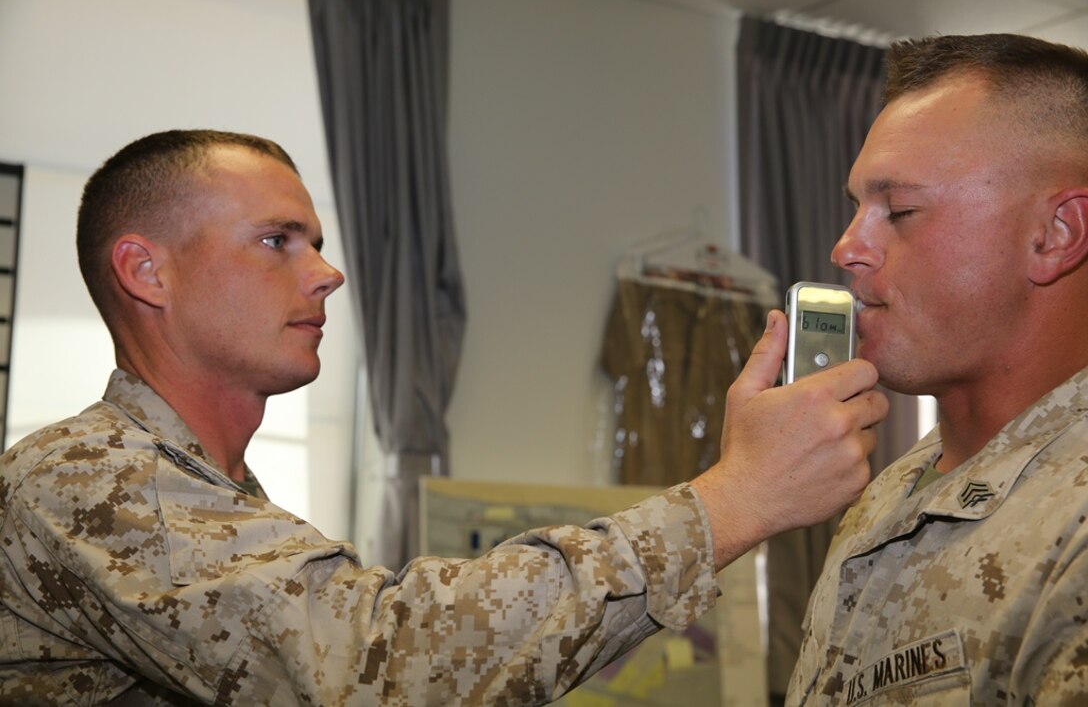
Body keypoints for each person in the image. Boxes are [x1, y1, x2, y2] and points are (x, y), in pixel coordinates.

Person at [0, 130, 886, 705]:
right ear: (145, 272)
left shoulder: (209, 489)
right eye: (277, 242)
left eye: (318, 242)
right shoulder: (86, 476)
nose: (326, 274)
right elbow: (377, 665)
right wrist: (733, 501)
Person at [787, 33, 1088, 704]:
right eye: (855, 208)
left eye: (899, 211)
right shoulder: (885, 497)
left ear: (1057, 236)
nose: (846, 248)